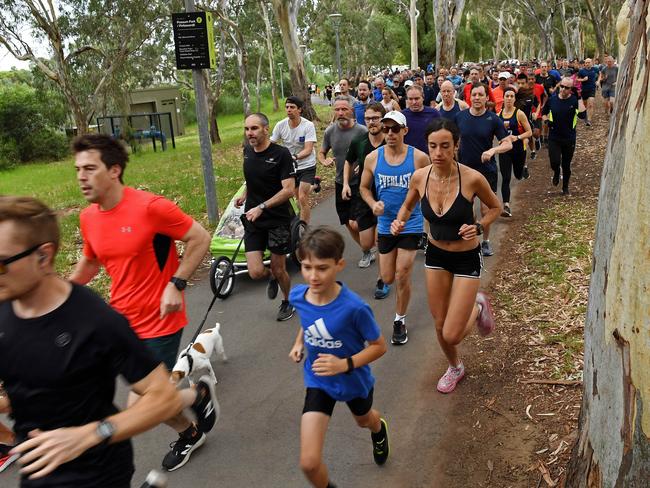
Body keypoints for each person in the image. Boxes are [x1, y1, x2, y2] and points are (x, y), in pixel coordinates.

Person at [0, 196, 183, 486]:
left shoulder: (94, 320)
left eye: (1, 265)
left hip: (95, 474)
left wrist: (90, 435)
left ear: (43, 256)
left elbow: (163, 396)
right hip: (37, 472)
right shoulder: (5, 305)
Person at [68, 134, 216, 472]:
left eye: (90, 168)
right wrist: (58, 290)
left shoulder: (151, 207)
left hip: (159, 318)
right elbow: (91, 262)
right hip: (119, 319)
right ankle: (192, 419)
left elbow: (200, 237)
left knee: (142, 403)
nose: (81, 176)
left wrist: (175, 285)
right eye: (78, 169)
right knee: (151, 396)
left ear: (114, 170)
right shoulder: (89, 217)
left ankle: (193, 401)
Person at [390, 119, 500, 393]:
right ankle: (455, 367)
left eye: (445, 146)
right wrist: (399, 221)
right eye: (433, 146)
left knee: (452, 332)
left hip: (466, 258)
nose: (438, 153)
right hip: (436, 255)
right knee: (440, 325)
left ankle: (477, 308)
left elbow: (495, 208)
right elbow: (407, 206)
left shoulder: (472, 178)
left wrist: (478, 226)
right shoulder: (420, 177)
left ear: (456, 146)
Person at [288, 226, 389, 488]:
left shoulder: (354, 308)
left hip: (354, 380)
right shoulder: (298, 295)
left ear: (339, 264)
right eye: (307, 267)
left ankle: (379, 430)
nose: (313, 276)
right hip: (319, 379)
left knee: (364, 421)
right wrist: (299, 342)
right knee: (309, 463)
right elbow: (308, 319)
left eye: (322, 268)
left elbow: (379, 346)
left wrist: (344, 364)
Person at [360, 111, 430, 346]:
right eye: (386, 129)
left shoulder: (419, 158)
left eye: (395, 129)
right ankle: (393, 289)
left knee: (402, 273)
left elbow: (429, 188)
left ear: (405, 131)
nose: (390, 133)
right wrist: (373, 204)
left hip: (411, 223)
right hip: (385, 224)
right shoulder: (373, 158)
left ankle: (399, 319)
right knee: (388, 277)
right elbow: (364, 188)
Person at [235, 113, 297, 320]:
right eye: (247, 129)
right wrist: (245, 196)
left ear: (265, 129)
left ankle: (287, 301)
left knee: (280, 269)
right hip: (253, 217)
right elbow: (252, 180)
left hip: (277, 219)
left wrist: (262, 206)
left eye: (254, 128)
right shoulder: (247, 152)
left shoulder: (281, 154)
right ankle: (272, 278)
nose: (249, 133)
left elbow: (289, 190)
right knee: (255, 272)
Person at [454, 82, 513, 257]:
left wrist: (493, 150)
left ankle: (486, 242)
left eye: (481, 95)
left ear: (487, 98)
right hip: (465, 171)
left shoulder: (493, 119)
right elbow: (452, 139)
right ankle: (471, 239)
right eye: (474, 95)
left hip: (487, 171)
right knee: (466, 208)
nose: (477, 98)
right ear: (469, 97)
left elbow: (508, 144)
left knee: (486, 210)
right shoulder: (460, 117)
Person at [341, 102, 390, 299]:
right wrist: (345, 183)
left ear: (382, 119)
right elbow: (348, 161)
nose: (371, 122)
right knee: (366, 243)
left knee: (380, 240)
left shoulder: (391, 139)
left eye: (375, 118)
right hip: (364, 194)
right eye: (368, 118)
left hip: (386, 196)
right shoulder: (359, 141)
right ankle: (381, 258)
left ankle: (383, 279)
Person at [318, 95, 368, 251]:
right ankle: (366, 249)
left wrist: (363, 164)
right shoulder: (330, 131)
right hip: (340, 182)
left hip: (360, 183)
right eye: (337, 109)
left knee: (356, 221)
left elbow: (373, 153)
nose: (340, 112)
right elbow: (321, 152)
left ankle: (371, 242)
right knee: (346, 221)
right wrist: (323, 160)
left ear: (351, 111)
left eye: (344, 109)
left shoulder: (362, 131)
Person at [271, 96, 319, 223]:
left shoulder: (308, 125)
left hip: (307, 164)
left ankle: (304, 230)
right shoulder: (280, 125)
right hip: (290, 167)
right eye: (287, 107)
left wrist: (294, 157)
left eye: (292, 107)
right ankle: (314, 185)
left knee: (303, 198)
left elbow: (308, 149)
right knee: (296, 198)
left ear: (299, 110)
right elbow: (271, 143)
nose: (289, 110)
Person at [542, 77, 587, 195]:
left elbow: (582, 115)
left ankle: (565, 187)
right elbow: (543, 113)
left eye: (567, 88)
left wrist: (579, 98)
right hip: (554, 137)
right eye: (562, 86)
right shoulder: (552, 100)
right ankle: (556, 172)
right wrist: (546, 121)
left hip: (569, 138)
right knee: (554, 162)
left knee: (566, 165)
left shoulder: (574, 100)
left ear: (571, 89)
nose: (563, 89)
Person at [498, 87, 533, 217]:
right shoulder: (498, 114)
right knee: (506, 178)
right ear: (503, 97)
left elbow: (529, 132)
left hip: (518, 149)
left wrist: (517, 137)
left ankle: (523, 167)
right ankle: (506, 205)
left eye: (511, 96)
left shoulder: (519, 114)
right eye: (507, 96)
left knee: (518, 175)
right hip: (504, 151)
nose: (509, 99)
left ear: (514, 99)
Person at [402, 85, 441, 154]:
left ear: (423, 97)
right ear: (407, 99)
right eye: (410, 99)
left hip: (429, 156)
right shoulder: (402, 116)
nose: (414, 102)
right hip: (408, 156)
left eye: (417, 98)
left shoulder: (434, 114)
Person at [577, 58, 598, 126]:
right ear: (584, 63)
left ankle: (589, 120)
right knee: (585, 105)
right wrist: (583, 79)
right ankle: (585, 116)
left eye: (589, 62)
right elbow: (577, 79)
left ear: (592, 63)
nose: (587, 64)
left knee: (591, 104)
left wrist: (598, 81)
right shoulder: (581, 71)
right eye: (586, 63)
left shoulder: (595, 69)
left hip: (592, 89)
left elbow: (600, 73)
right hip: (584, 90)